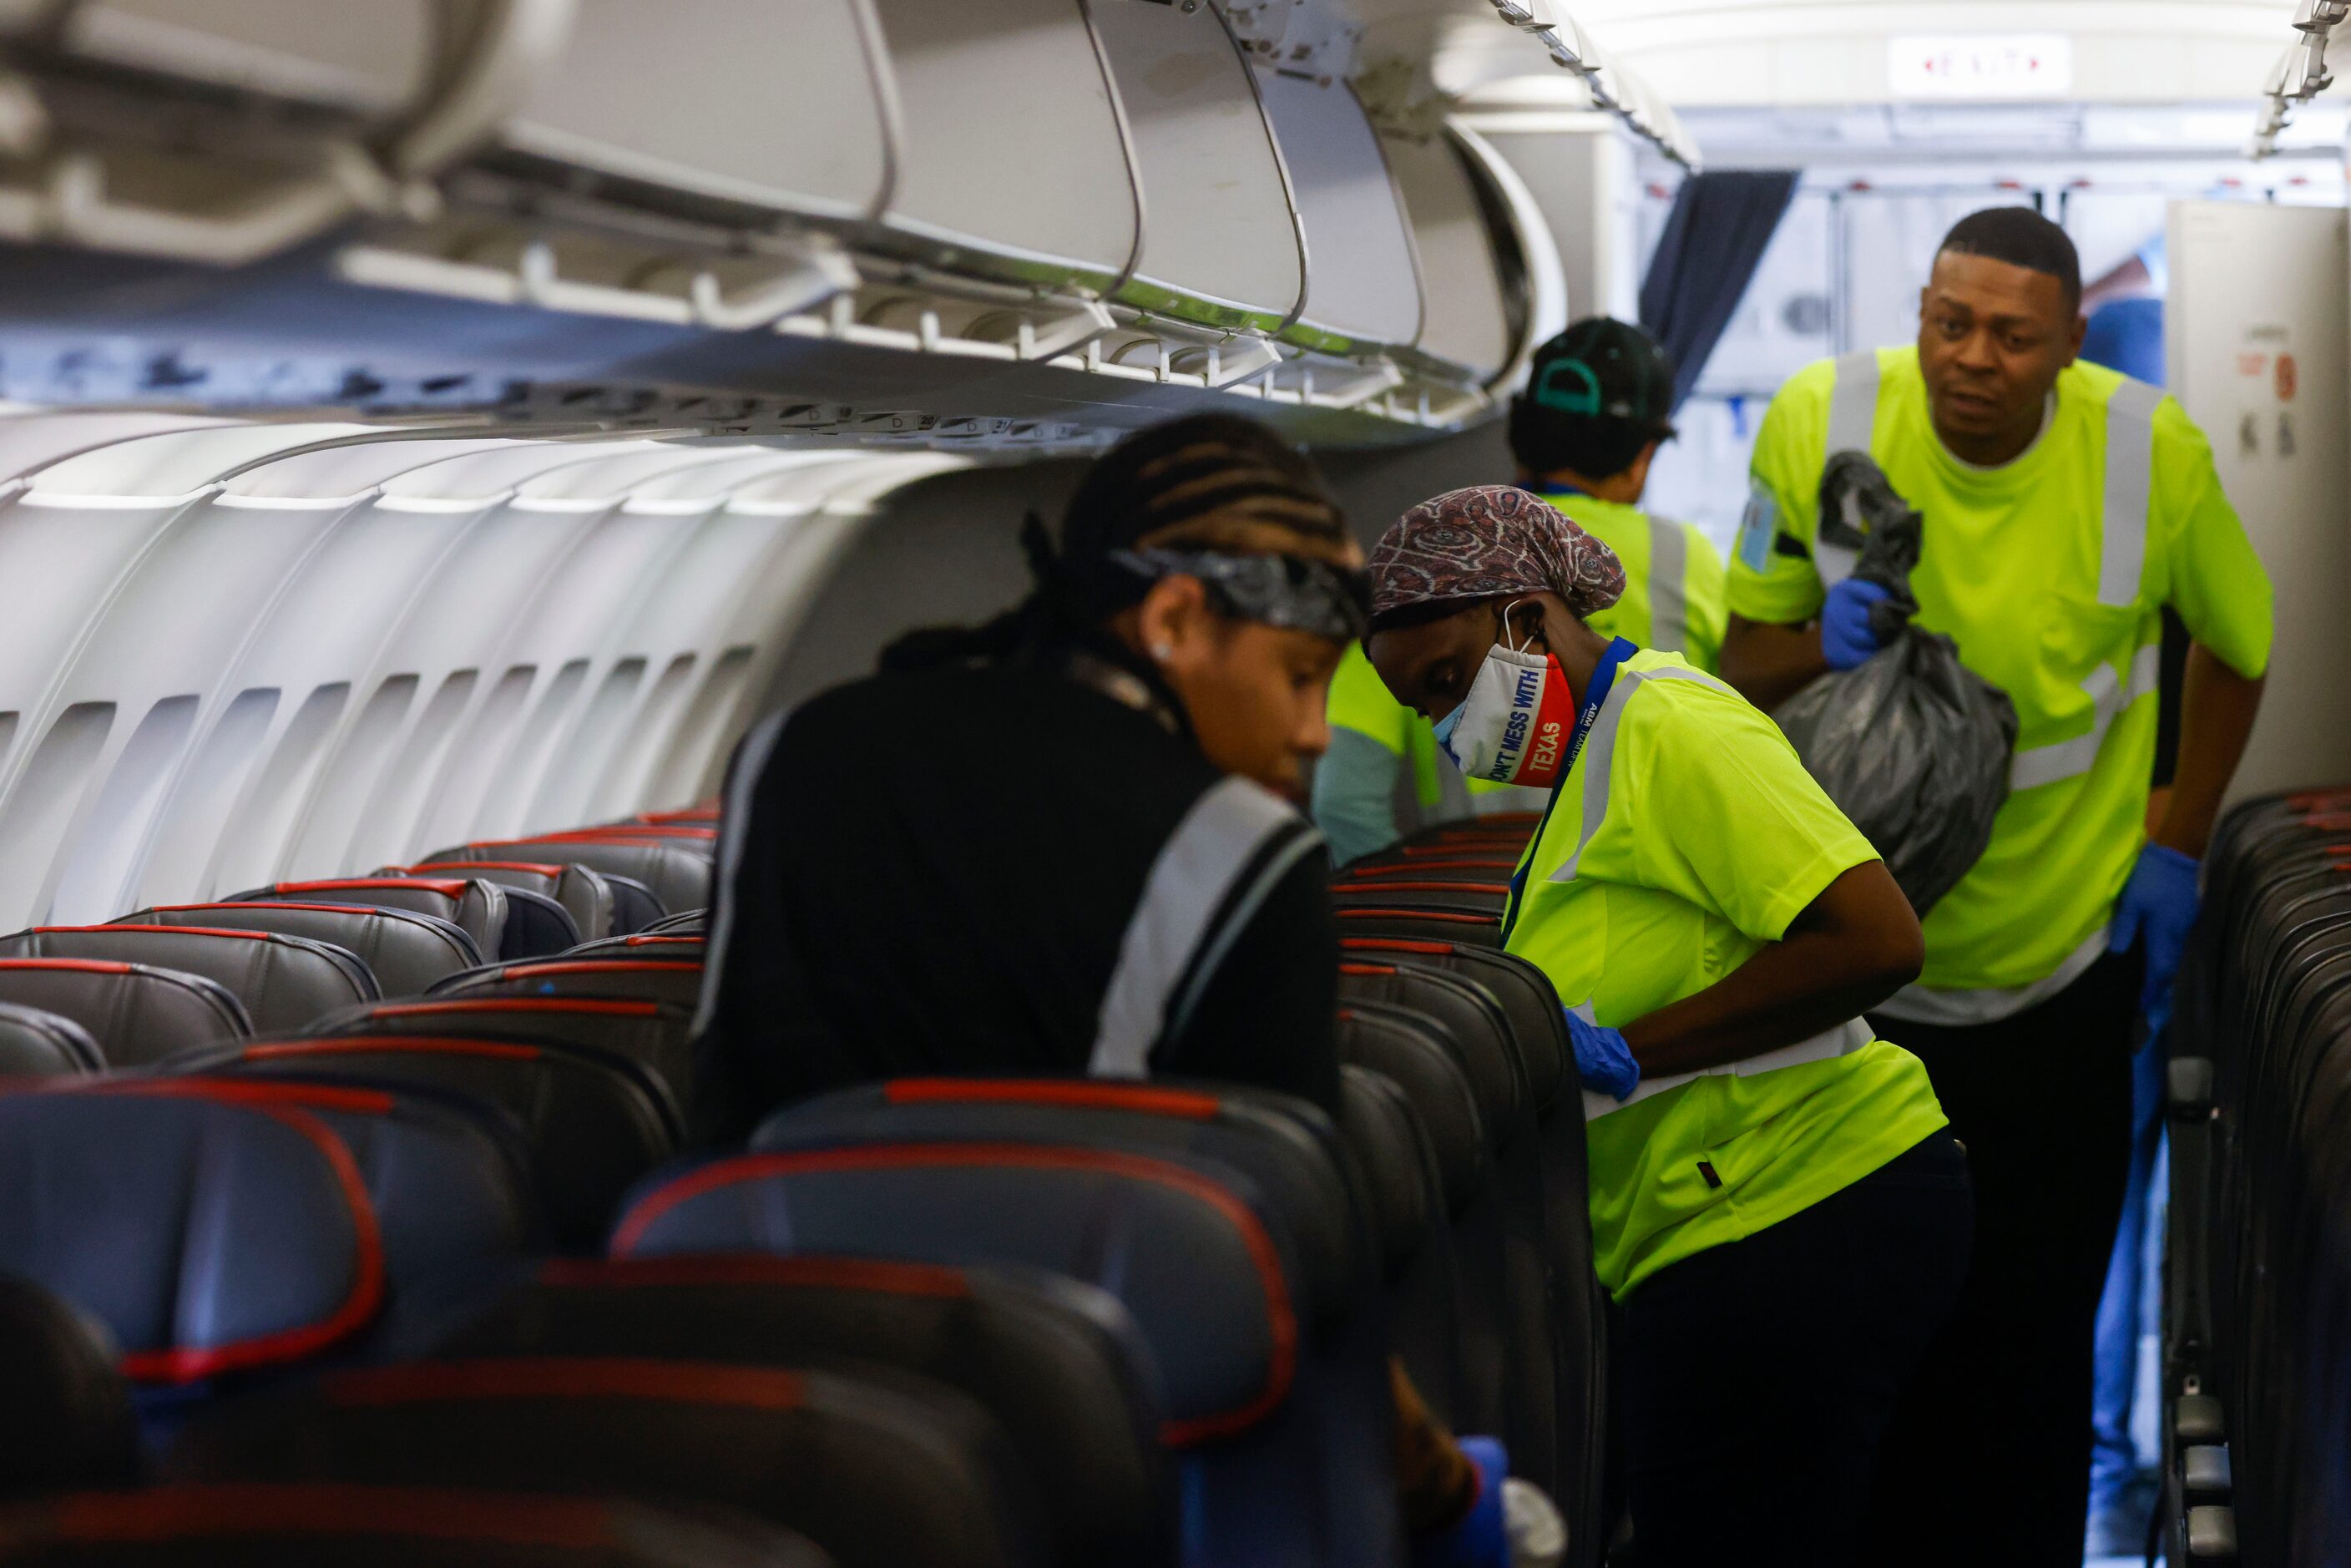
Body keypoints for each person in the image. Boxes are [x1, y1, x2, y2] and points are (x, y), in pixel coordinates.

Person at [691, 414, 1554, 1564]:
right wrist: (1451, 1494)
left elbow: (723, 1117)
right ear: (1177, 620)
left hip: (771, 1447)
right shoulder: (1243, 853)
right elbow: (1282, 1271)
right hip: (1088, 1452)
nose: (1309, 732)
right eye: (1300, 676)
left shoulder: (787, 751)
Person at [1718, 206, 2272, 1567]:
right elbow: (1745, 656)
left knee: (2029, 1340)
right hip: (1858, 981)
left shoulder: (2147, 455)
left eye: (2013, 336)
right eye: (1947, 321)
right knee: (1863, 1333)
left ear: (2069, 344)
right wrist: (1813, 646)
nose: (1971, 357)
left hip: (2058, 974)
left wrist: (2175, 841)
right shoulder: (1819, 416)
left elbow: (2239, 644)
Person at [1363, 484, 1973, 1568]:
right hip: (1722, 1228)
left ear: (1526, 611)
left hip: (1800, 1205)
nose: (1454, 730)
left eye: (1451, 680)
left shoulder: (1672, 724)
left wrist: (1640, 1048)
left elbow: (1876, 938)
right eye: (1427, 711)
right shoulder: (1584, 772)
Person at [1312, 319, 1725, 866]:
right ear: (1642, 456)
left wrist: (1427, 916)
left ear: (1518, 434)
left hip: (1476, 919)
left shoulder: (1416, 575)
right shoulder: (1685, 556)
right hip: (1649, 896)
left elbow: (1343, 802)